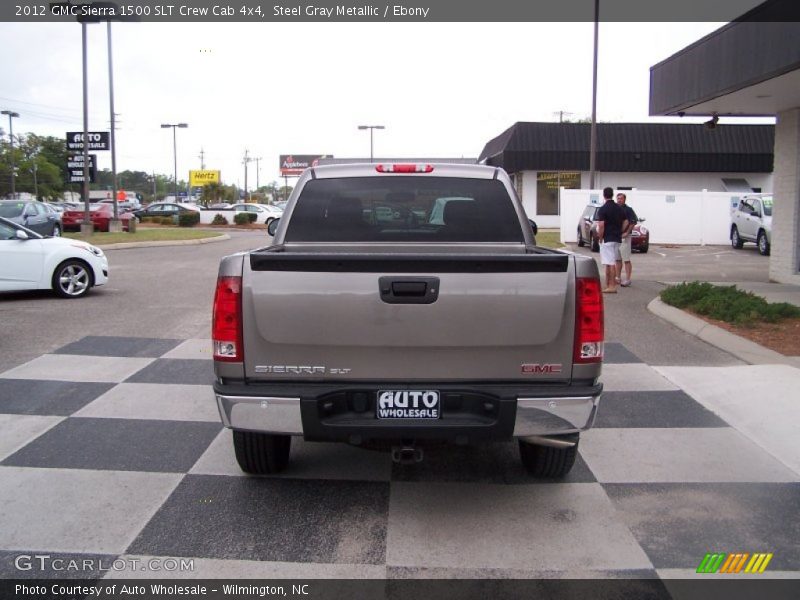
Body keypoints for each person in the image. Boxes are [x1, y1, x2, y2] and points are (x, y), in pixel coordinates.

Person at [595, 187, 628, 294]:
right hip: (617, 239)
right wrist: (620, 230)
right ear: (612, 195)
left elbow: (601, 225)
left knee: (610, 262)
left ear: (604, 196)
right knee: (609, 261)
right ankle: (608, 284)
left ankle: (612, 286)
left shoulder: (603, 209)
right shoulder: (619, 208)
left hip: (607, 238)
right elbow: (626, 221)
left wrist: (600, 237)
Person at [615, 192, 638, 287]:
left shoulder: (628, 210)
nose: (619, 200)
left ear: (625, 199)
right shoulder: (615, 209)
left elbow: (633, 222)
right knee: (617, 259)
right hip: (616, 237)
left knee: (626, 259)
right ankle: (617, 278)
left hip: (625, 238)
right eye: (618, 198)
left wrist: (627, 232)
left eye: (621, 198)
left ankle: (628, 279)